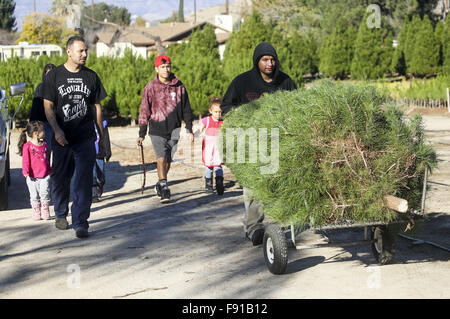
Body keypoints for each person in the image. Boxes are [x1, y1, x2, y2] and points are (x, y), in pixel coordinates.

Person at [221, 41, 297, 246]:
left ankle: (284, 225)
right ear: (257, 62)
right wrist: (241, 118)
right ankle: (253, 228)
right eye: (265, 60)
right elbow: (226, 107)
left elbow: (299, 107)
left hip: (280, 141)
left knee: (282, 184)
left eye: (272, 59)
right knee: (254, 187)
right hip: (251, 143)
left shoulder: (286, 82)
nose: (270, 63)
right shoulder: (242, 82)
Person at [42, 35, 107, 239]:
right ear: (69, 52)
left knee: (83, 180)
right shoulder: (54, 76)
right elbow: (48, 105)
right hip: (62, 139)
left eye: (86, 50)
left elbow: (97, 106)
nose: (85, 54)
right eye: (81, 51)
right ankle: (61, 213)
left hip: (85, 138)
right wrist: (56, 130)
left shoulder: (91, 77)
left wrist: (101, 136)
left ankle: (81, 222)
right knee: (61, 178)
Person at [137, 54, 194, 204]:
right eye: (162, 67)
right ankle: (164, 187)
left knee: (168, 160)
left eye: (168, 66)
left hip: (174, 129)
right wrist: (141, 132)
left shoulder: (179, 86)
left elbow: (186, 109)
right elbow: (144, 110)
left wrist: (189, 128)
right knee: (161, 157)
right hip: (156, 129)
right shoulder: (150, 87)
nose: (166, 69)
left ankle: (160, 182)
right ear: (156, 68)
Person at [18, 121, 52, 221]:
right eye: (43, 131)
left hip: (44, 175)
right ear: (36, 133)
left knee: (45, 192)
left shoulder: (44, 144)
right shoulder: (27, 146)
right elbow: (25, 160)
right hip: (32, 177)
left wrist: (49, 169)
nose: (45, 132)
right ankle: (36, 211)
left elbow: (46, 159)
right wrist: (25, 171)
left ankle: (45, 210)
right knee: (34, 195)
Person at [29, 63, 56, 157]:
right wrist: (32, 125)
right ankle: (46, 170)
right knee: (46, 149)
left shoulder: (60, 87)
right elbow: (35, 106)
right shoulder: (40, 88)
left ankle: (57, 170)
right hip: (45, 123)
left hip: (59, 123)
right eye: (48, 74)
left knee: (59, 151)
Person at [200, 97, 224, 195]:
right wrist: (200, 133)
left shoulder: (222, 122)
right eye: (216, 112)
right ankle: (209, 184)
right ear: (210, 111)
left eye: (220, 112)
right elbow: (201, 128)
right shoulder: (207, 120)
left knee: (218, 165)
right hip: (208, 148)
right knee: (209, 166)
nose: (218, 114)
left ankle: (219, 182)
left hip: (218, 148)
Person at [92, 120, 111, 202]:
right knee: (91, 173)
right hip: (89, 152)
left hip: (100, 152)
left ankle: (100, 185)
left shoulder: (103, 123)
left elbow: (106, 138)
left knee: (100, 175)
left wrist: (108, 152)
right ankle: (93, 193)